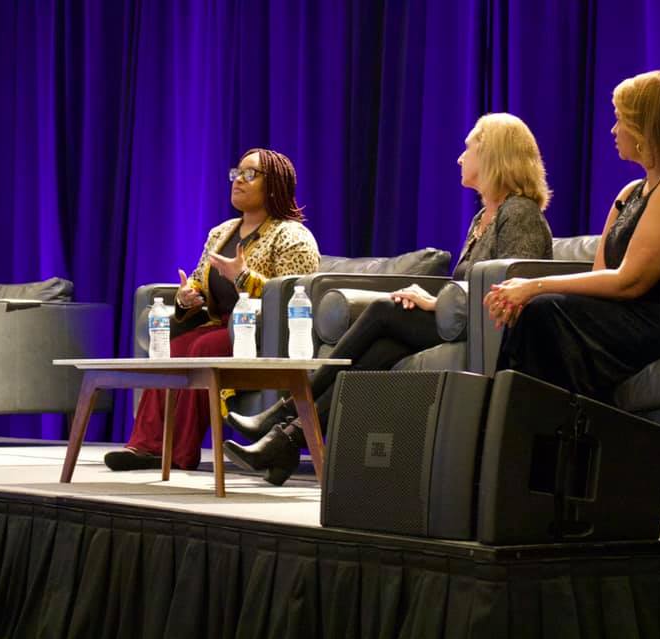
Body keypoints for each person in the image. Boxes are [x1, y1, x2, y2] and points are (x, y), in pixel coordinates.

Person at [224, 113, 555, 485]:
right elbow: (468, 286)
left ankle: (282, 413)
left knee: (383, 309)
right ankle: (289, 439)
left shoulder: (520, 213)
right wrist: (434, 301)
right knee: (381, 348)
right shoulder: (484, 215)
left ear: (494, 155)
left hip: (490, 330)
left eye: (468, 149)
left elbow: (507, 287)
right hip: (462, 324)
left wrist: (434, 302)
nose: (460, 158)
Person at [486, 71, 660, 400]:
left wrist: (534, 286)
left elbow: (631, 282)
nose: (614, 130)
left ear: (645, 127)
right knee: (537, 314)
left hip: (659, 322)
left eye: (620, 120)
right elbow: (602, 277)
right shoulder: (630, 193)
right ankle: (516, 432)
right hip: (619, 317)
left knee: (542, 312)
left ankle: (529, 435)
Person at [104, 148, 320, 471]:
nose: (238, 181)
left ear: (274, 184)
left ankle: (180, 454)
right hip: (220, 326)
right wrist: (186, 297)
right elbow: (198, 283)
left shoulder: (293, 236)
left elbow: (292, 294)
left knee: (202, 349)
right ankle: (146, 447)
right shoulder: (221, 234)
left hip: (261, 336)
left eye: (250, 175)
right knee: (174, 350)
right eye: (237, 173)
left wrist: (243, 277)